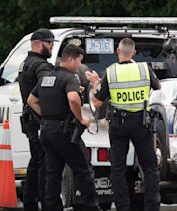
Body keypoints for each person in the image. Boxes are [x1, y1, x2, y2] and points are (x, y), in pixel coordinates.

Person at [85, 38, 161, 211]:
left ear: (118, 52)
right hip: (142, 124)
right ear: (133, 52)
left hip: (119, 125)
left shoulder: (110, 72)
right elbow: (158, 88)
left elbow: (96, 103)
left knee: (118, 169)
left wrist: (95, 83)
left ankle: (122, 207)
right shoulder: (144, 69)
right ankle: (152, 207)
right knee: (150, 168)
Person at [27, 44, 100, 211]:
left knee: (52, 174)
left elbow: (31, 100)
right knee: (84, 171)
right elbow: (73, 99)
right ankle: (91, 207)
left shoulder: (46, 77)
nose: (80, 66)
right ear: (70, 59)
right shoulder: (69, 79)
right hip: (64, 133)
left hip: (46, 131)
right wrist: (81, 118)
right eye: (79, 62)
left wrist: (46, 116)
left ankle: (52, 207)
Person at [18, 28, 57, 211]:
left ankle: (30, 202)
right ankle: (45, 203)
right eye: (49, 43)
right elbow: (48, 89)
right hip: (38, 120)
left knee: (36, 161)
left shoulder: (26, 62)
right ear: (38, 43)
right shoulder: (40, 65)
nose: (51, 47)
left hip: (30, 120)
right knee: (45, 163)